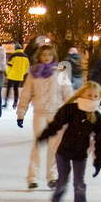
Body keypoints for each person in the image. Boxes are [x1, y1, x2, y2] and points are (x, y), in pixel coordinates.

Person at [37, 81, 101, 202]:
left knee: (79, 185)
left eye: (95, 96)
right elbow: (55, 125)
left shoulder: (98, 118)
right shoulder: (70, 110)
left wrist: (98, 161)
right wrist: (44, 135)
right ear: (81, 95)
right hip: (63, 152)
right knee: (62, 182)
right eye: (89, 95)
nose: (92, 98)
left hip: (80, 154)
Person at [18, 44, 68, 189]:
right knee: (37, 145)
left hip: (55, 114)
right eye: (44, 54)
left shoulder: (60, 74)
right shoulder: (33, 74)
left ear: (53, 56)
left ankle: (52, 177)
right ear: (39, 56)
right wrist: (21, 112)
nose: (46, 57)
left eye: (49, 55)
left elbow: (68, 94)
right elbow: (26, 94)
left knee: (54, 146)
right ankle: (32, 177)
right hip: (39, 113)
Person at [5, 42, 30, 110]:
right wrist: (22, 73)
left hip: (11, 75)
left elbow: (9, 66)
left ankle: (6, 102)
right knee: (16, 90)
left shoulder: (13, 55)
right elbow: (27, 67)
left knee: (8, 89)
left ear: (15, 48)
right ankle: (15, 103)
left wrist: (7, 73)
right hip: (20, 76)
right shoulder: (26, 56)